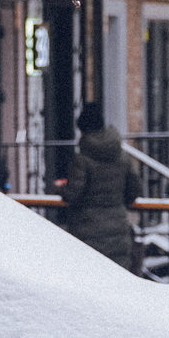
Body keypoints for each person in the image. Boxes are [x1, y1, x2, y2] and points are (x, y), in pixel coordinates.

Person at [55, 102, 141, 269]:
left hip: (87, 233)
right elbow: (135, 191)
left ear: (83, 130)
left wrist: (60, 188)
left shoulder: (82, 160)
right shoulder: (123, 157)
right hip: (118, 234)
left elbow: (73, 194)